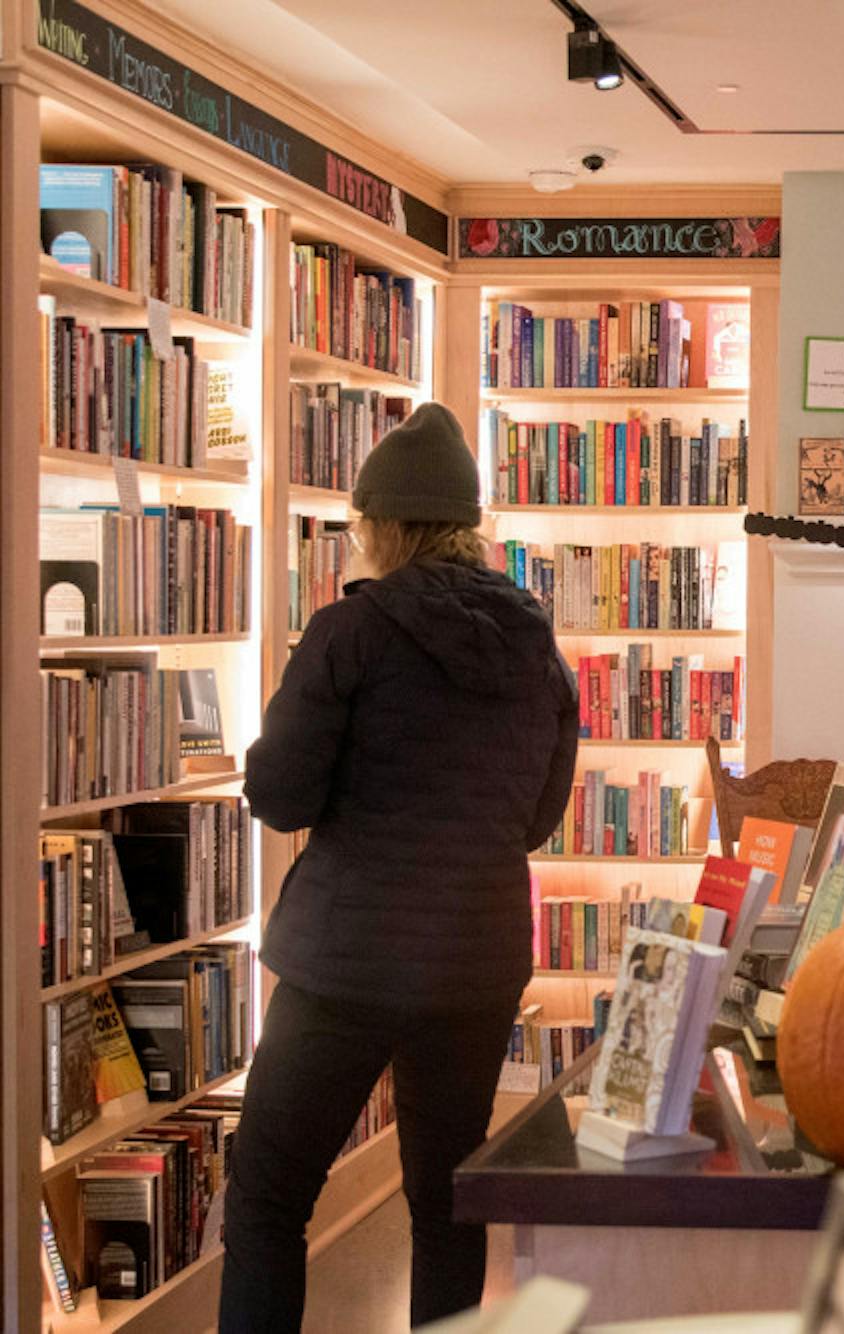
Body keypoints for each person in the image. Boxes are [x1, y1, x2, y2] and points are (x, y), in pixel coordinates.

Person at [220, 404, 578, 1332]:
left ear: (383, 524)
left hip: (347, 960)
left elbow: (281, 796)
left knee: (266, 1197)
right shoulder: (537, 646)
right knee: (444, 1201)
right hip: (476, 960)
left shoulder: (353, 632)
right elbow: (537, 819)